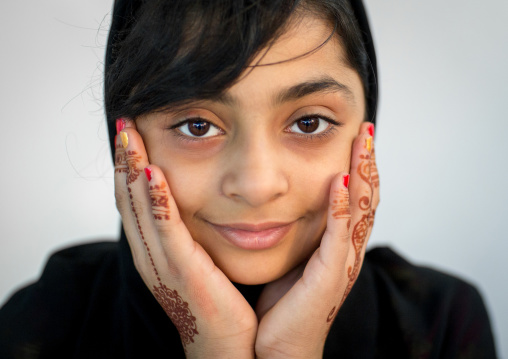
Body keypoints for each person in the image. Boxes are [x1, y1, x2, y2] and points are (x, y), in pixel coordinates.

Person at [0, 0, 497, 358]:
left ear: (366, 133)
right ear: (125, 144)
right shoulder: (46, 320)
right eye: (198, 126)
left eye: (309, 123)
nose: (257, 185)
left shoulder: (441, 324)